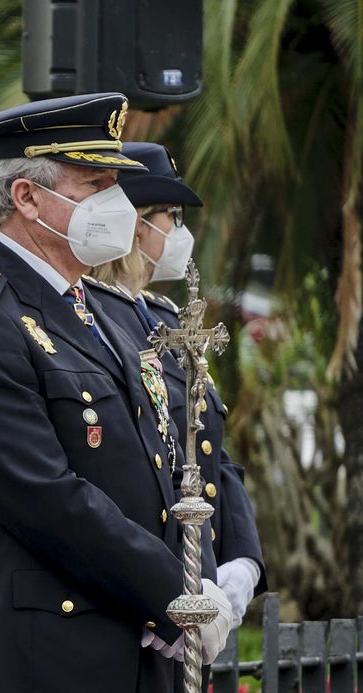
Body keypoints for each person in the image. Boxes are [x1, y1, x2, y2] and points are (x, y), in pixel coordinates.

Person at [0, 94, 240, 693]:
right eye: (95, 184)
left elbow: (169, 467)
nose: (116, 202)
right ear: (27, 199)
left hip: (148, 669)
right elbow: (47, 497)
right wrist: (173, 596)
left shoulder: (110, 311)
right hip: (53, 685)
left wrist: (202, 582)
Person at [90, 142, 264, 623]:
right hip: (157, 575)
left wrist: (242, 557)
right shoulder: (96, 314)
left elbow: (212, 447)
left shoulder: (167, 316)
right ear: (134, 223)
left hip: (203, 564)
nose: (177, 229)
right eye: (167, 213)